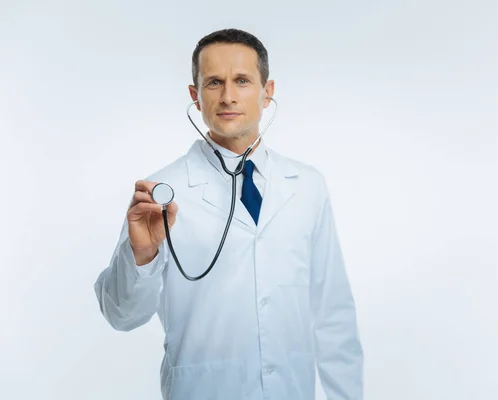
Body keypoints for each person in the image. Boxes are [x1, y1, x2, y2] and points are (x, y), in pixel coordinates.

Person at [93, 28, 363, 400]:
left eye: (242, 81)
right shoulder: (159, 193)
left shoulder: (307, 186)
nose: (228, 96)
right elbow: (122, 316)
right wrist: (141, 256)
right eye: (214, 82)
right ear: (196, 95)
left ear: (267, 92)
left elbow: (333, 313)